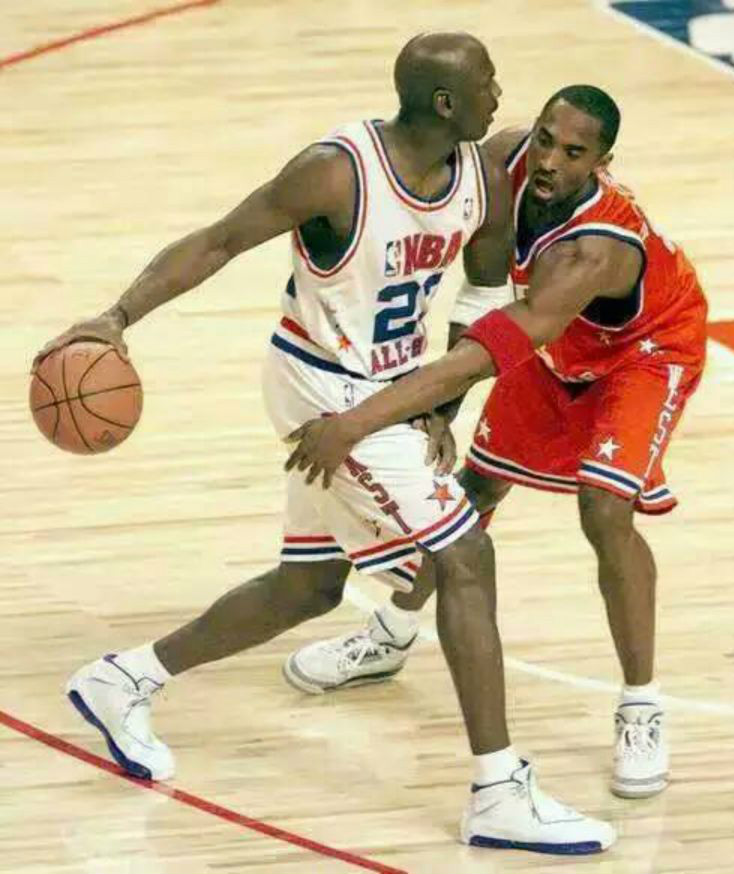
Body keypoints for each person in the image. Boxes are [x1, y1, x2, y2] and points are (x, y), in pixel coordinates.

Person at [35, 35, 615, 855]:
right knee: (464, 556)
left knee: (308, 587)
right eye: (486, 83)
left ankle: (123, 678)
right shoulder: (338, 171)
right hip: (323, 389)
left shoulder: (482, 178)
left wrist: (443, 402)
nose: (498, 94)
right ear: (444, 102)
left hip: (389, 388)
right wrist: (116, 316)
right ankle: (498, 791)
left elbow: (485, 290)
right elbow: (219, 240)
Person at [284, 85, 708, 802]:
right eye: (545, 139)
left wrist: (363, 420)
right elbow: (456, 245)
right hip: (561, 339)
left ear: (603, 162)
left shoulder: (595, 251)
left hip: (645, 351)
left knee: (605, 508)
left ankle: (641, 705)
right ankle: (392, 633)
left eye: (573, 152)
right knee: (472, 491)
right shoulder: (502, 157)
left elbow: (490, 350)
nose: (549, 161)